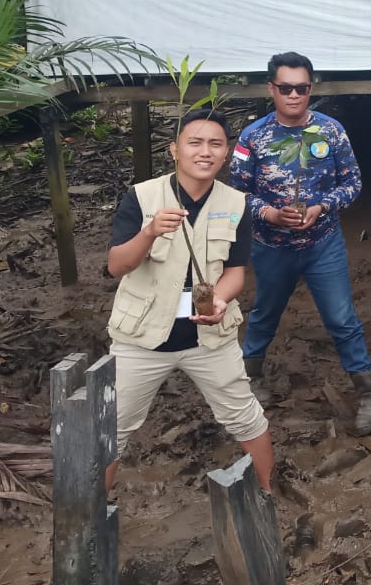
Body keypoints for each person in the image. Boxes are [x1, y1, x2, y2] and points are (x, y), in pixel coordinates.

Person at [104, 108, 272, 493]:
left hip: (209, 338)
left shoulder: (236, 204)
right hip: (141, 338)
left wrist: (220, 301)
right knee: (111, 428)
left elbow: (235, 272)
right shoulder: (142, 196)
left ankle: (267, 495)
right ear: (174, 149)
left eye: (215, 144)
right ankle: (93, 514)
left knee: (247, 418)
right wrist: (149, 232)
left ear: (226, 153)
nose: (205, 151)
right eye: (194, 142)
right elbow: (116, 266)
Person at [230, 52, 371, 436]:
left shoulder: (330, 131)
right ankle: (251, 379)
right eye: (286, 88)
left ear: (311, 88)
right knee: (264, 313)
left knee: (342, 318)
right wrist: (269, 214)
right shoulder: (253, 137)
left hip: (322, 243)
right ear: (271, 89)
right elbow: (236, 193)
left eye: (302, 88)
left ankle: (368, 393)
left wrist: (322, 207)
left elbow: (353, 183)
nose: (294, 95)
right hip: (271, 245)